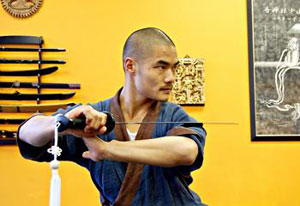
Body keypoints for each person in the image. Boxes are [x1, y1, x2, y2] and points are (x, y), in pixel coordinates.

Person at [17, 27, 207, 206]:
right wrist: (63, 122)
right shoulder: (93, 118)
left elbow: (187, 151)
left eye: (174, 68)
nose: (171, 77)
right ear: (130, 66)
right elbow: (27, 134)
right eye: (161, 67)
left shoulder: (173, 115)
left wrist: (107, 149)